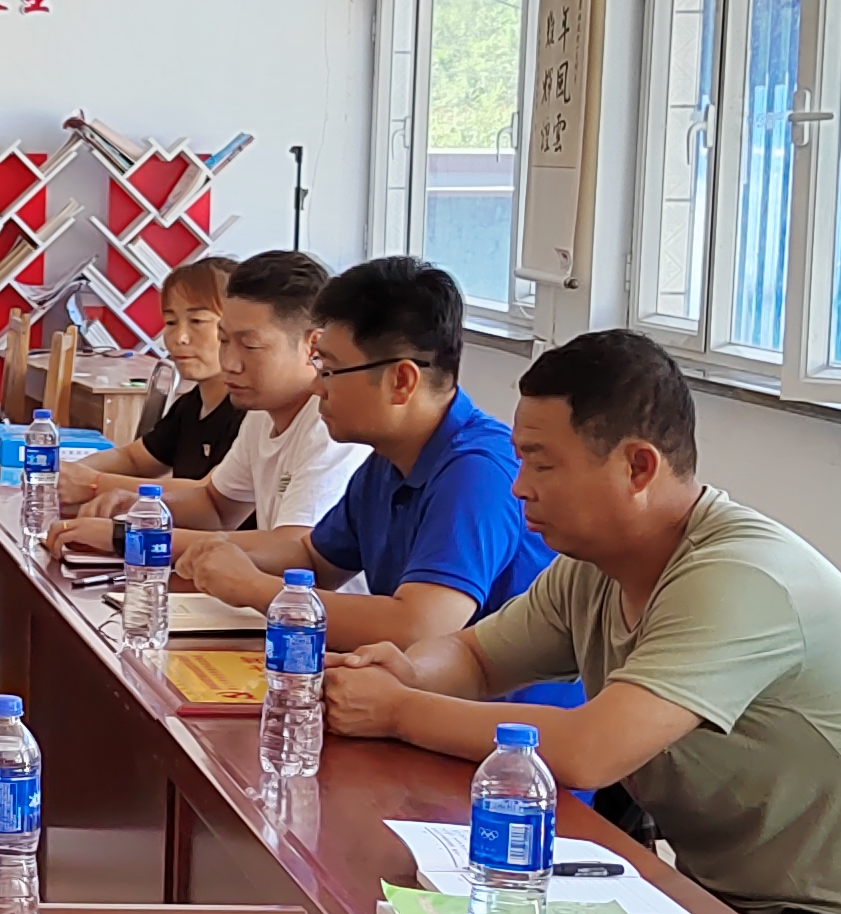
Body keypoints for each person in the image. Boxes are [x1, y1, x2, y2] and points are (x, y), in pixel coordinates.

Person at [320, 329, 841, 914]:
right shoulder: (596, 567)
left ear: (638, 467)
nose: (519, 487)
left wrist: (400, 711)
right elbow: (476, 657)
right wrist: (407, 671)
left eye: (543, 463)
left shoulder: (738, 579)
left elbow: (590, 752)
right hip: (739, 903)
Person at [173, 256, 558, 663]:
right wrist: (222, 555)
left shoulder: (477, 471)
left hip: (481, 705)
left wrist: (252, 587)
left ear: (401, 381)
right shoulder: (387, 460)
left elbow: (418, 627)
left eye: (330, 370)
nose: (317, 388)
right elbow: (315, 560)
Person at [140, 249, 367, 546]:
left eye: (249, 346)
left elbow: (292, 547)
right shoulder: (261, 413)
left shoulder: (331, 426)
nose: (229, 363)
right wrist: (133, 509)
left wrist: (127, 535)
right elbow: (216, 508)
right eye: (223, 341)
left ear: (313, 346)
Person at [49, 257, 246, 553]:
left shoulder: (250, 413)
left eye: (197, 321)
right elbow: (135, 458)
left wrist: (94, 482)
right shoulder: (191, 404)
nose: (179, 338)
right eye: (171, 322)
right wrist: (67, 474)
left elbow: (209, 496)